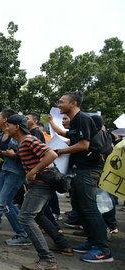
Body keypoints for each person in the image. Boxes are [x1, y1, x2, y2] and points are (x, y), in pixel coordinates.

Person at [8, 114, 72, 270]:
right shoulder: (22, 143)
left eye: (8, 126)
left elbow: (52, 154)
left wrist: (33, 171)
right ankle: (62, 244)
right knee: (37, 215)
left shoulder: (29, 140)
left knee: (24, 217)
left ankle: (47, 260)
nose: (6, 128)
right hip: (40, 183)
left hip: (42, 184)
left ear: (17, 127)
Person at [55, 92, 113, 263]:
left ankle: (103, 250)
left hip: (88, 169)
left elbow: (84, 145)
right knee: (80, 207)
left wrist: (58, 151)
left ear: (73, 103)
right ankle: (92, 242)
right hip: (79, 168)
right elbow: (71, 137)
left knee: (88, 207)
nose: (59, 105)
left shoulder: (82, 118)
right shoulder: (75, 121)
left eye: (61, 102)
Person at [0, 109, 31, 245]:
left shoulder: (20, 137)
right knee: (4, 202)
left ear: (6, 119)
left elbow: (22, 154)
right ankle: (24, 231)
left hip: (15, 172)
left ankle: (23, 234)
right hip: (5, 170)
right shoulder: (1, 136)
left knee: (3, 202)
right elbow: (0, 150)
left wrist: (10, 154)